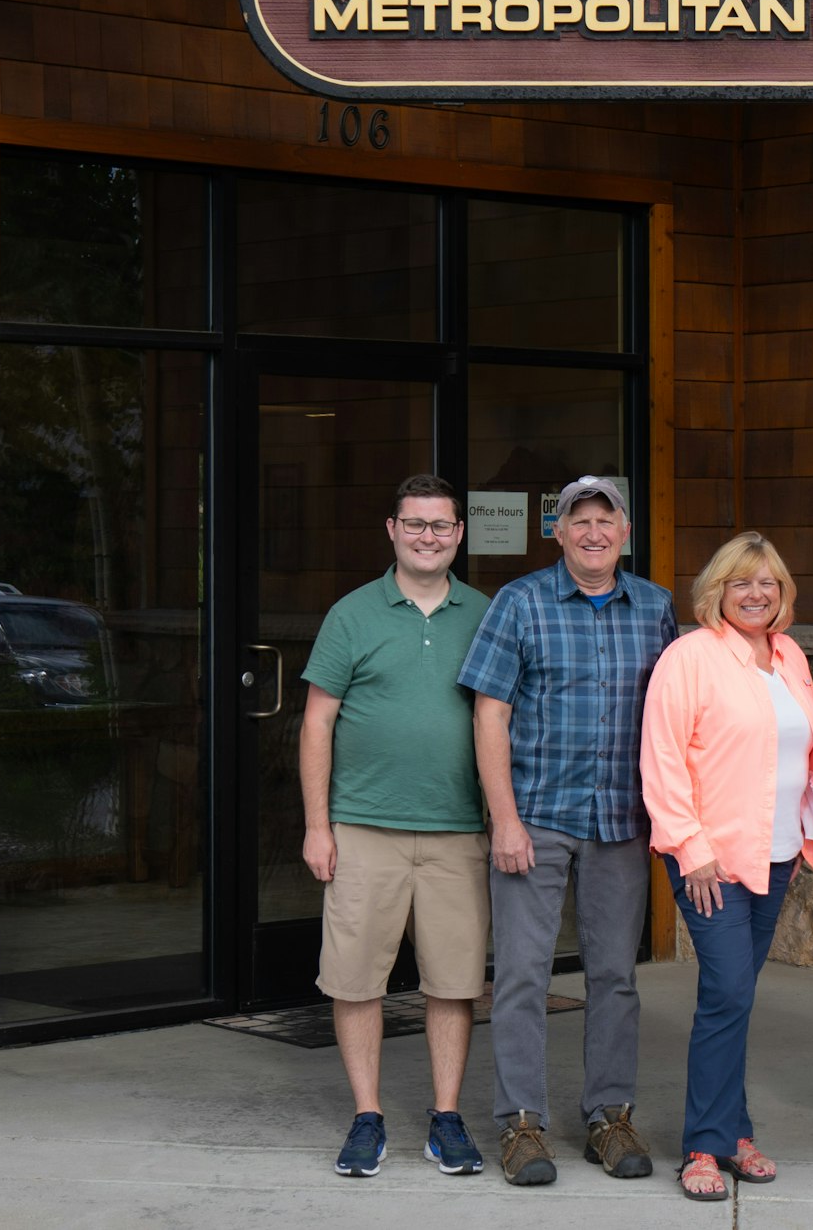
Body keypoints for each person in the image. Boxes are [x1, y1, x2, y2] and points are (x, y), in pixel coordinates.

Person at [458, 475, 678, 1187]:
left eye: (604, 521)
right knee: (521, 976)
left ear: (625, 534)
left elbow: (675, 715)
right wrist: (505, 821)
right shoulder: (519, 603)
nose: (592, 533)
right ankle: (520, 1125)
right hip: (537, 822)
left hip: (620, 823)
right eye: (578, 521)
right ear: (557, 532)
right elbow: (489, 713)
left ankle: (608, 1118)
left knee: (615, 978)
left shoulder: (655, 608)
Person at [298, 473, 493, 1179]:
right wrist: (318, 826)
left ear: (459, 535)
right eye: (416, 524)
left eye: (441, 526)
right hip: (365, 829)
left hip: (457, 831)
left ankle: (446, 1118)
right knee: (355, 980)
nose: (428, 537)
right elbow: (317, 721)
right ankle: (367, 1117)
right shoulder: (352, 615)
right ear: (392, 530)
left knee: (453, 980)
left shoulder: (485, 613)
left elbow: (501, 718)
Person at [641, 532, 813, 1203]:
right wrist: (690, 848)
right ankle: (705, 1144)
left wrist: (812, 835)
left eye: (768, 583)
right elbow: (662, 758)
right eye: (741, 582)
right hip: (712, 860)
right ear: (716, 591)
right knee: (727, 993)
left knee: (736, 998)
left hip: (776, 855)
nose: (756, 594)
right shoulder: (689, 657)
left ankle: (734, 1129)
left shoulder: (786, 657)